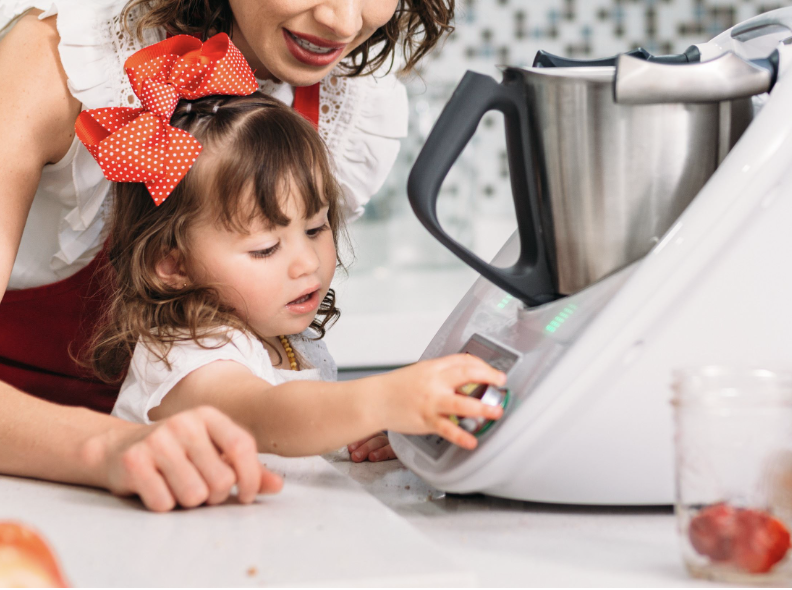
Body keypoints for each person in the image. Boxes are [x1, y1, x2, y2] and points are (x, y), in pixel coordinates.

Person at [0, 0, 453, 512]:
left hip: (162, 483)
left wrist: (351, 419)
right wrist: (116, 447)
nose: (344, 21)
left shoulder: (348, 100)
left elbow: (246, 373)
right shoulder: (61, 62)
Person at [81, 35, 506, 463]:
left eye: (316, 227)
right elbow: (266, 418)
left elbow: (306, 432)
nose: (307, 263)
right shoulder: (186, 354)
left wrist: (374, 427)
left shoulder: (282, 336)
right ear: (173, 265)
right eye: (266, 249)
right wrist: (383, 399)